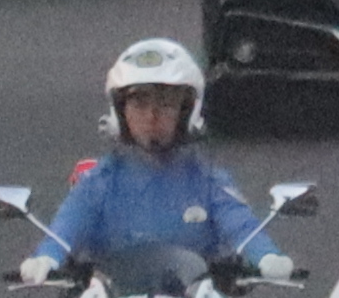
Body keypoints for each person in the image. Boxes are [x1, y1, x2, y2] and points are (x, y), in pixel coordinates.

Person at [31, 38, 286, 275]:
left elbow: (241, 226)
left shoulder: (209, 182)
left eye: (165, 104)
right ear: (121, 113)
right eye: (139, 104)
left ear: (186, 113)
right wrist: (46, 259)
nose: (151, 117)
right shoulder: (98, 183)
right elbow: (65, 230)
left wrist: (267, 258)